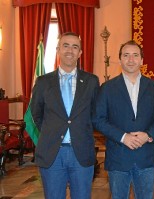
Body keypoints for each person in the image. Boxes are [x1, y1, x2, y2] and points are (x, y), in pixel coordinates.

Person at [92, 40, 154, 199]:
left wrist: (147, 135)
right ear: (120, 60)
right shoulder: (107, 88)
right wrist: (123, 137)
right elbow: (98, 119)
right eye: (126, 55)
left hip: (146, 156)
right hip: (118, 157)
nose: (131, 59)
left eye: (135, 55)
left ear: (142, 60)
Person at [30, 32, 100, 199]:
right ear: (58, 50)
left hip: (81, 153)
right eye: (66, 45)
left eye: (75, 47)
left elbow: (95, 114)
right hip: (52, 154)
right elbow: (36, 115)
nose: (70, 50)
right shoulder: (42, 82)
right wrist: (52, 131)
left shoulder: (91, 81)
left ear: (80, 53)